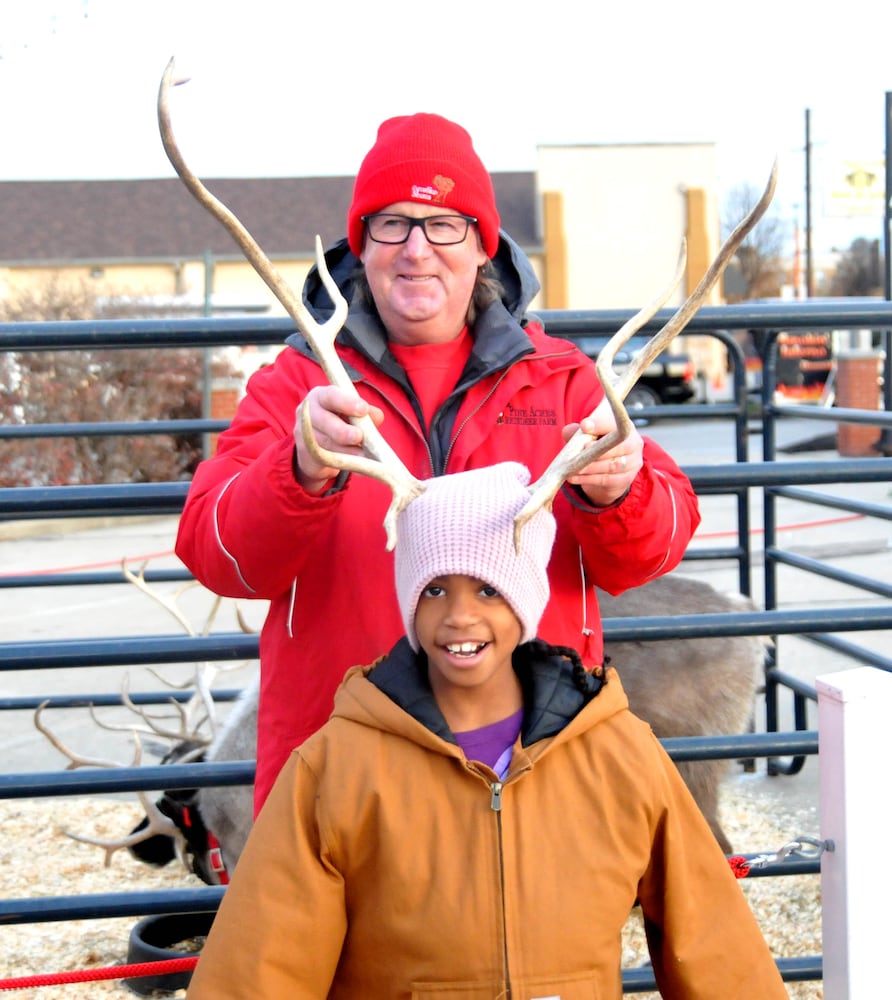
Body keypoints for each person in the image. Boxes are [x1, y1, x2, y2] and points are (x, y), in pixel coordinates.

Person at [175, 112, 701, 812]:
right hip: (342, 770)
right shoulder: (296, 386)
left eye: (443, 224)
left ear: (483, 245)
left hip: (534, 765)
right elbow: (219, 557)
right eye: (391, 223)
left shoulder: (565, 380)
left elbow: (653, 550)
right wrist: (298, 469)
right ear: (361, 246)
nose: (416, 249)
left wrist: (620, 491)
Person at [184, 463, 785, 999]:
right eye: (435, 589)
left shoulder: (618, 752)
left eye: (490, 589)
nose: (460, 616)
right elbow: (263, 960)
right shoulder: (335, 767)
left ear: (526, 601)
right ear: (409, 604)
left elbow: (713, 944)